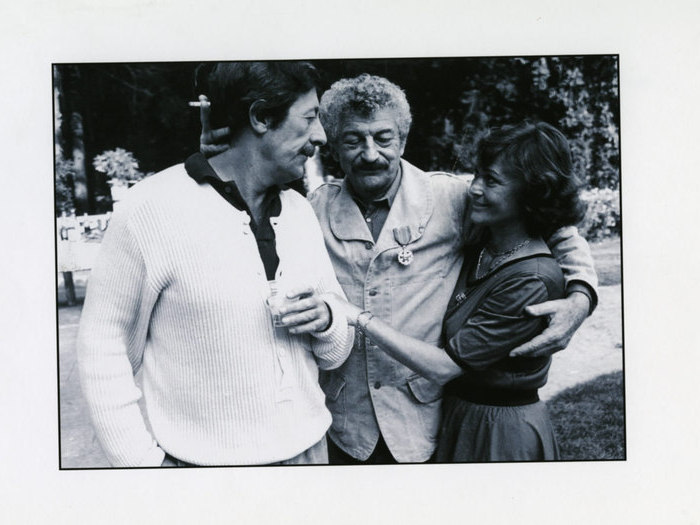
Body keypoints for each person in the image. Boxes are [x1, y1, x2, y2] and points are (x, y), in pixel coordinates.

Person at [200, 72, 598, 465]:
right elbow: (245, 217)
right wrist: (227, 165)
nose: (370, 154)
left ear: (403, 139)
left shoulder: (452, 199)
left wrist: (581, 295)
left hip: (423, 425)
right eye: (353, 140)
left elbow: (548, 225)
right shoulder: (309, 211)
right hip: (342, 423)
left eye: (383, 138)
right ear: (333, 147)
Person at [77, 61, 353, 467]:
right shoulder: (150, 208)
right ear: (261, 117)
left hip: (310, 457)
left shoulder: (298, 210)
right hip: (206, 474)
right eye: (310, 117)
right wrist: (140, 468)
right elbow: (102, 347)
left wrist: (327, 318)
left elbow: (335, 350)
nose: (321, 136)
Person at [331, 121, 582, 461]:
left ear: (532, 193)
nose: (474, 188)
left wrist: (358, 317)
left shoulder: (531, 279)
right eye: (476, 174)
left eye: (491, 181)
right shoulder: (483, 243)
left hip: (500, 431)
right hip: (460, 417)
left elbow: (445, 366)